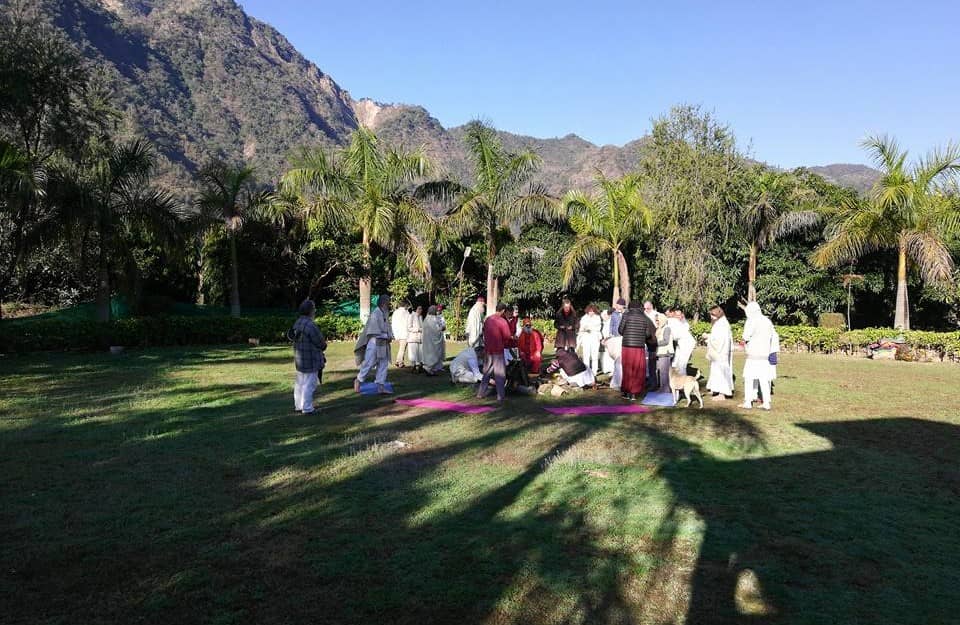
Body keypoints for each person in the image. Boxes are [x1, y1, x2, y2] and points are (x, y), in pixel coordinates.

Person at [290, 299, 327, 414]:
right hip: (311, 358)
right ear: (311, 311)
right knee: (310, 384)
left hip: (300, 358)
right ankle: (307, 408)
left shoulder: (297, 323)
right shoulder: (310, 325)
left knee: (300, 382)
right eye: (314, 308)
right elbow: (321, 343)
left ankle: (298, 405)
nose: (315, 311)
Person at [354, 294, 393, 394]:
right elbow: (374, 331)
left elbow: (388, 327)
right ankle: (358, 380)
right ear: (384, 303)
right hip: (374, 343)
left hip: (383, 344)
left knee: (383, 364)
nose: (390, 303)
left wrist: (390, 335)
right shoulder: (375, 313)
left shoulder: (385, 313)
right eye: (388, 302)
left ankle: (380, 386)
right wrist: (386, 336)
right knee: (369, 363)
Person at [741, 302, 776, 410]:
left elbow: (746, 336)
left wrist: (744, 341)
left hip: (753, 355)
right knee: (764, 380)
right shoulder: (767, 321)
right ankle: (766, 403)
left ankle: (748, 401)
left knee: (748, 378)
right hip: (765, 355)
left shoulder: (751, 321)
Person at [618, 300, 656, 400]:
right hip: (639, 347)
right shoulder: (644, 317)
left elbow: (620, 330)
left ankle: (625, 391)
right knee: (637, 369)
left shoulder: (626, 315)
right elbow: (648, 334)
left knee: (627, 368)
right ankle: (633, 393)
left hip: (626, 346)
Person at [477, 303, 513, 402]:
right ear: (503, 311)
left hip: (488, 350)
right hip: (498, 350)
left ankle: (480, 393)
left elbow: (484, 332)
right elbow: (507, 336)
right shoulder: (502, 321)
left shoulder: (488, 319)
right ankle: (500, 396)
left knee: (486, 372)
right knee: (500, 374)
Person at [706, 305, 734, 400]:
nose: (711, 317)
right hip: (717, 352)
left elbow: (720, 340)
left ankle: (722, 393)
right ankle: (716, 388)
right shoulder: (719, 323)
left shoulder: (722, 324)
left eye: (712, 315)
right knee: (716, 371)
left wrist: (708, 338)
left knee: (721, 371)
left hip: (721, 352)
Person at [578, 304, 602, 374]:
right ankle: (587, 370)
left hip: (594, 337)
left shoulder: (597, 318)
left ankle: (594, 370)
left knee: (595, 355)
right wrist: (585, 329)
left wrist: (590, 327)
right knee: (586, 354)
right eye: (590, 311)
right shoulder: (584, 318)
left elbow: (598, 328)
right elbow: (581, 328)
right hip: (586, 338)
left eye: (593, 311)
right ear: (587, 311)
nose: (591, 313)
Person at [670, 309, 696, 374]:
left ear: (682, 315)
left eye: (679, 315)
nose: (677, 317)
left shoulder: (683, 323)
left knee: (682, 364)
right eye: (676, 315)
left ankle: (683, 380)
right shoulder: (675, 322)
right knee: (675, 362)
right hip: (680, 344)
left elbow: (676, 336)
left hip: (687, 344)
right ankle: (675, 377)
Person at [421, 305, 445, 375]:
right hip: (433, 341)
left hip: (427, 340)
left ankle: (430, 369)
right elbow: (436, 330)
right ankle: (428, 368)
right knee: (433, 354)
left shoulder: (426, 318)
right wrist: (441, 328)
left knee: (427, 353)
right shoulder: (433, 319)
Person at [654, 313, 674, 394]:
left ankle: (665, 390)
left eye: (658, 320)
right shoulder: (660, 329)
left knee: (664, 372)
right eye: (656, 320)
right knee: (661, 372)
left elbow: (666, 341)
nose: (657, 322)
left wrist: (655, 343)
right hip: (660, 353)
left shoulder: (667, 328)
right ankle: (662, 388)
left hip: (665, 353)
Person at [391, 302, 410, 367]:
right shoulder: (406, 312)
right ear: (405, 306)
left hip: (398, 332)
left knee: (401, 347)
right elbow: (408, 322)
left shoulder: (395, 312)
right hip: (404, 332)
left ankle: (398, 361)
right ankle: (400, 362)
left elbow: (393, 323)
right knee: (402, 348)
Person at [406, 305, 424, 372]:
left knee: (419, 353)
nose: (420, 310)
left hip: (420, 338)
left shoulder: (421, 317)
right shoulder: (412, 315)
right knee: (413, 353)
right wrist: (418, 329)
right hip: (413, 337)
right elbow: (409, 327)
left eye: (421, 309)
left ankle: (419, 366)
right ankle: (413, 366)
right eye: (419, 309)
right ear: (415, 309)